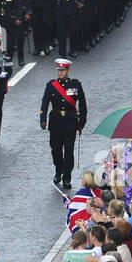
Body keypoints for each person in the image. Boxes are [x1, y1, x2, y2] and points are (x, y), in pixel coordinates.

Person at [39, 59, 86, 190]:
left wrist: (81, 122)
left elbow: (82, 104)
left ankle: (66, 177)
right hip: (56, 122)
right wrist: (42, 119)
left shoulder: (75, 85)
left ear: (68, 71)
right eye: (59, 70)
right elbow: (45, 102)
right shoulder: (51, 85)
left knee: (69, 151)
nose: (60, 73)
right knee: (55, 150)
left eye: (63, 70)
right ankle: (58, 170)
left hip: (70, 122)